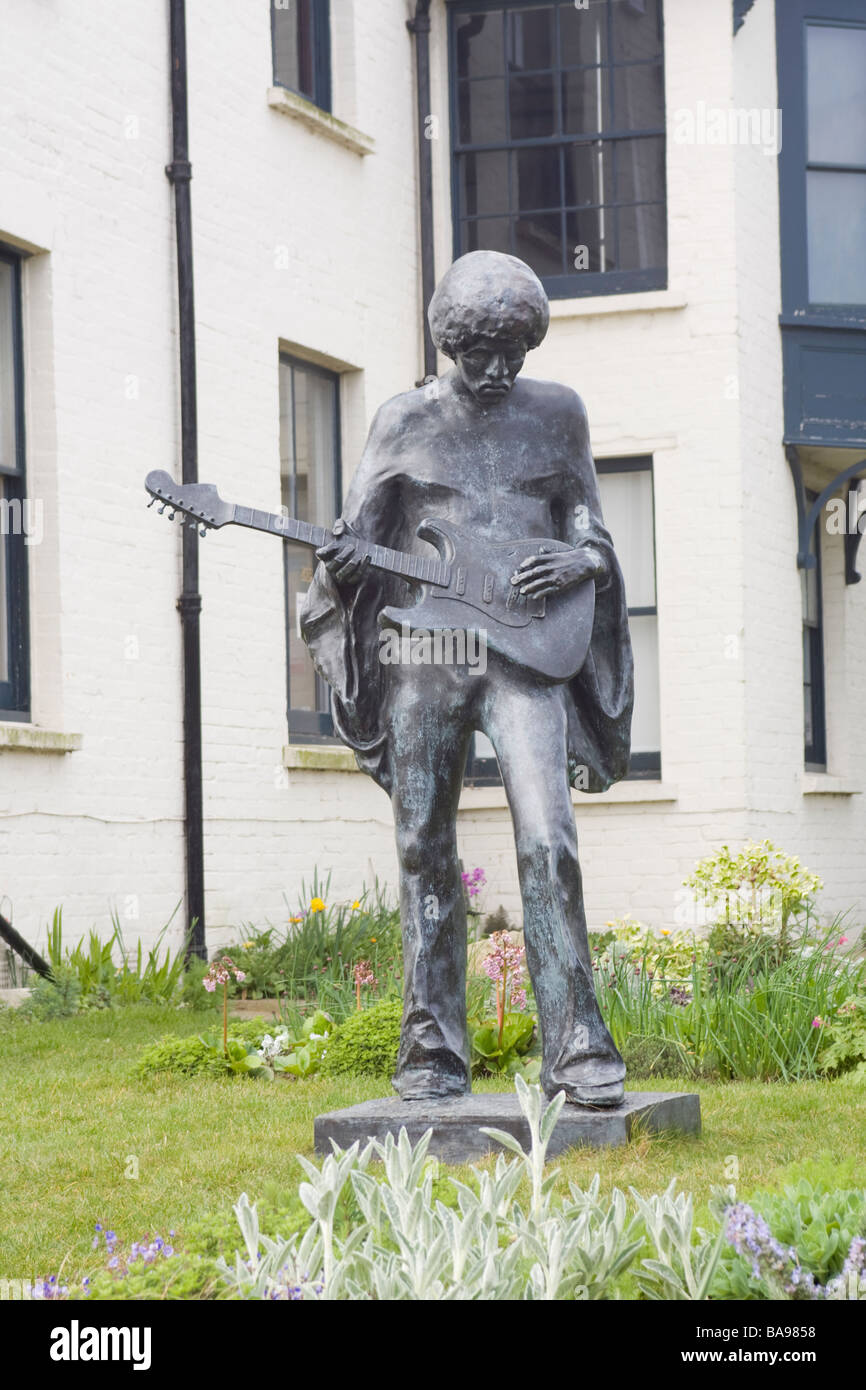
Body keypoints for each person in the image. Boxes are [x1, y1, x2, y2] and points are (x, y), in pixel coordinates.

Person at [301, 250, 633, 1106]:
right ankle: (431, 1051)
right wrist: (338, 570)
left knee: (548, 838)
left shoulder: (559, 414)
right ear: (450, 344)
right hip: (429, 652)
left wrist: (578, 560)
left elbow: (590, 528)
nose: (497, 372)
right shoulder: (401, 422)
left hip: (528, 653)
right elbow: (357, 538)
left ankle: (578, 1046)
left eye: (514, 353)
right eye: (480, 354)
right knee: (421, 846)